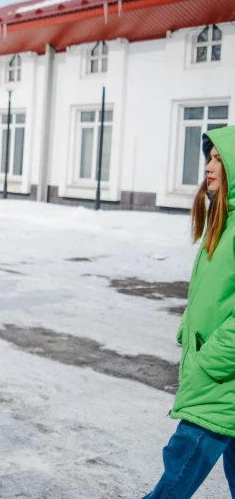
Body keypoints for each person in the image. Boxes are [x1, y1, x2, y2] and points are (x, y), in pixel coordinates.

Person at [144, 128, 235, 498]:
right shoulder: (225, 221)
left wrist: (209, 361)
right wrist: (189, 331)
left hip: (221, 380)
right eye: (208, 158)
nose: (208, 167)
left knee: (176, 474)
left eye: (218, 159)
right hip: (215, 373)